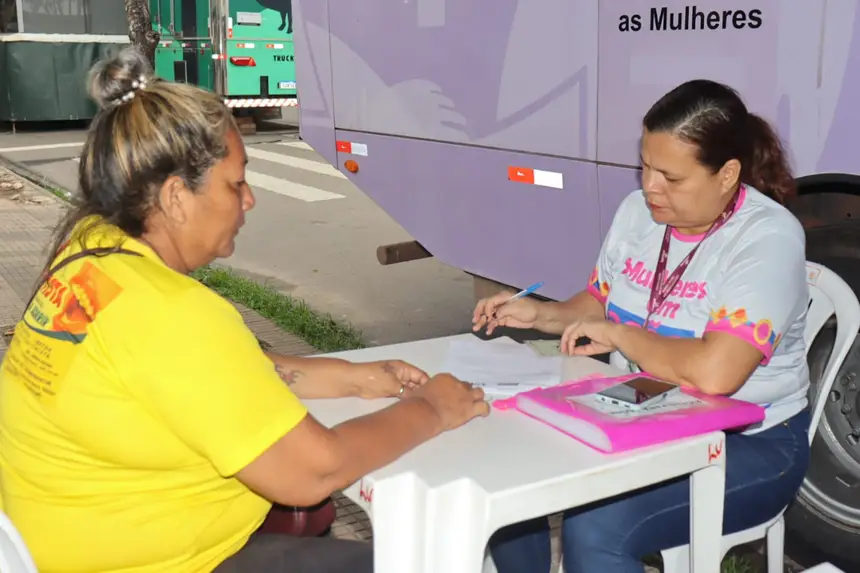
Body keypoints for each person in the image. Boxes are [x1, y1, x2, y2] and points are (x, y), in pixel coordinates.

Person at [0, 47, 489, 573]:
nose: (250, 200)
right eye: (236, 183)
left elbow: (214, 378)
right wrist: (434, 408)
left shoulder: (90, 252)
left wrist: (354, 378)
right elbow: (314, 473)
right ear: (175, 198)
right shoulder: (169, 312)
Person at [473, 79, 811, 573]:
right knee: (510, 474)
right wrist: (541, 314)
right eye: (646, 167)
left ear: (727, 175)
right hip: (643, 408)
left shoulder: (768, 238)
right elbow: (601, 303)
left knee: (596, 528)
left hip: (751, 441)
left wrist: (622, 336)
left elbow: (717, 374)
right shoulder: (638, 214)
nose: (650, 187)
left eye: (671, 178)